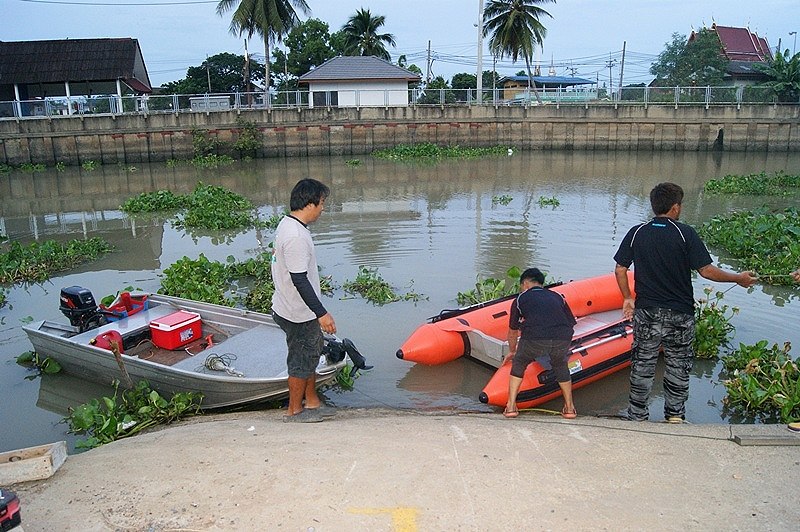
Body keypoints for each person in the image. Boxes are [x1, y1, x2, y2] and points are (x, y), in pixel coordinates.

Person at [614, 182, 757, 423]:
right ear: (675, 207)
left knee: (642, 365)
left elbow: (620, 269)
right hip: (680, 314)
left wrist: (628, 298)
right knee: (678, 367)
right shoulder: (685, 233)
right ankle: (675, 417)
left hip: (647, 312)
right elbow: (707, 271)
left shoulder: (637, 232)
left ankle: (637, 416)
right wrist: (738, 278)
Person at [271, 178, 337, 423]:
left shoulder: (288, 224)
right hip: (297, 312)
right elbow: (299, 280)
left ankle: (312, 401)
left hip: (288, 306)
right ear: (309, 204)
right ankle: (294, 411)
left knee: (310, 354)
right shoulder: (297, 237)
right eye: (321, 203)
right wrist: (322, 313)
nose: (322, 208)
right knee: (300, 360)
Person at [503, 268, 577, 419]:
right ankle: (569, 408)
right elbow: (570, 323)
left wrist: (512, 351)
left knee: (520, 362)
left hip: (534, 338)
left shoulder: (520, 299)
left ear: (525, 284)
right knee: (560, 365)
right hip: (562, 337)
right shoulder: (558, 296)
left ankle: (511, 407)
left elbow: (513, 330)